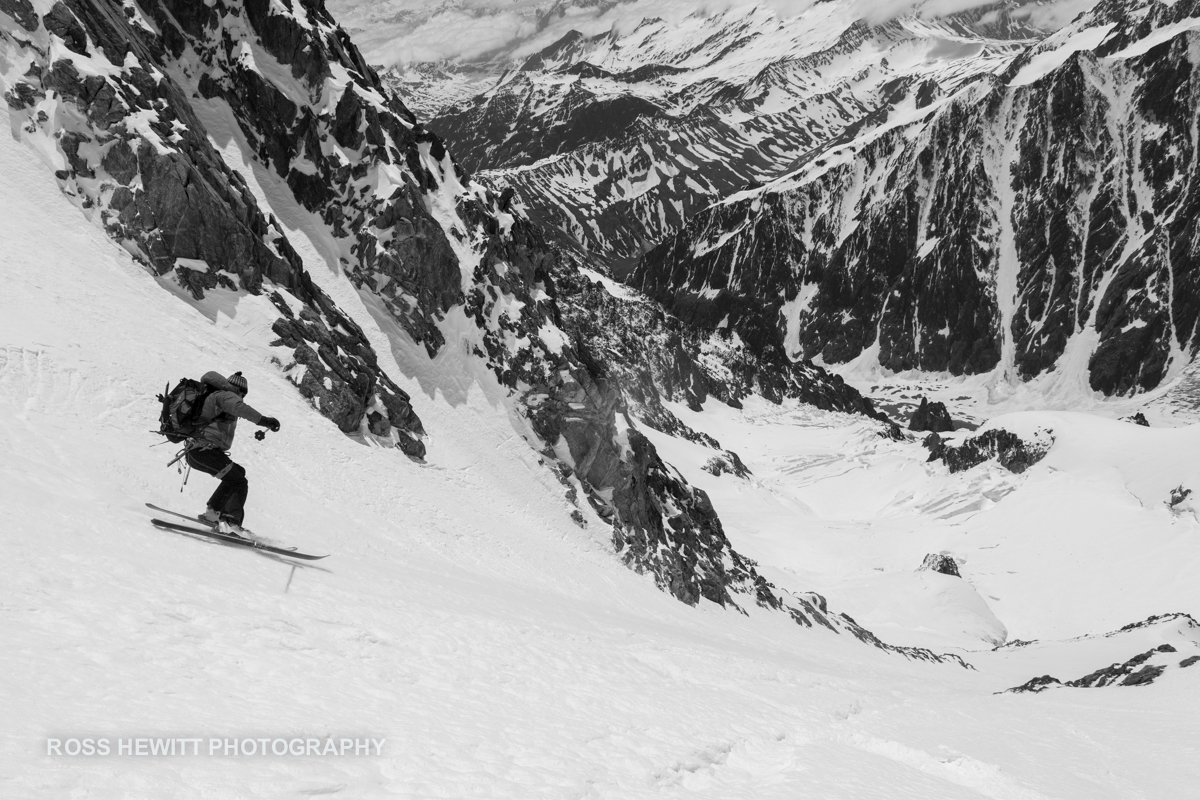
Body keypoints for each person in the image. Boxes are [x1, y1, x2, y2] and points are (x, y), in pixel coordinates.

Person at [186, 371, 280, 536]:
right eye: (243, 395)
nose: (242, 398)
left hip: (200, 451)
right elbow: (239, 407)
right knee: (239, 481)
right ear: (239, 391)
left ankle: (212, 514)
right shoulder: (226, 395)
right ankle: (231, 522)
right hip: (203, 451)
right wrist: (265, 421)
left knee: (238, 473)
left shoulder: (219, 396)